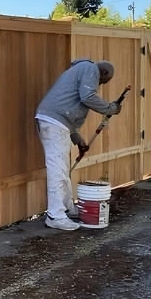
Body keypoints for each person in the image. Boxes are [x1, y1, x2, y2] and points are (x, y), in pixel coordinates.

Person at [35, 60, 121, 231]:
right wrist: (109, 108)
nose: (98, 84)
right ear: (102, 73)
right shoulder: (90, 68)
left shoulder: (79, 72)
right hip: (54, 122)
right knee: (57, 170)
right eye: (101, 82)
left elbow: (71, 105)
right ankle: (55, 216)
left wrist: (77, 139)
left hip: (57, 123)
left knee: (63, 169)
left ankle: (66, 208)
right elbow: (87, 97)